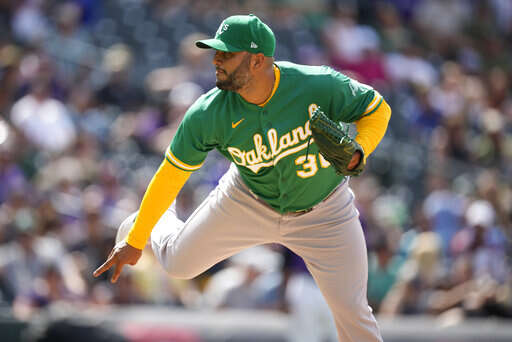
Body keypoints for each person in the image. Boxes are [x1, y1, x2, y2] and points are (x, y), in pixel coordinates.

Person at [94, 14, 391, 342]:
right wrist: (137, 238)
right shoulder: (208, 113)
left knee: (352, 312)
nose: (216, 60)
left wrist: (360, 150)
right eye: (215, 52)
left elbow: (377, 110)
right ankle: (152, 221)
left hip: (324, 211)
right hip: (248, 199)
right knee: (178, 264)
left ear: (257, 60)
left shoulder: (316, 85)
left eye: (227, 54)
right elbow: (170, 175)